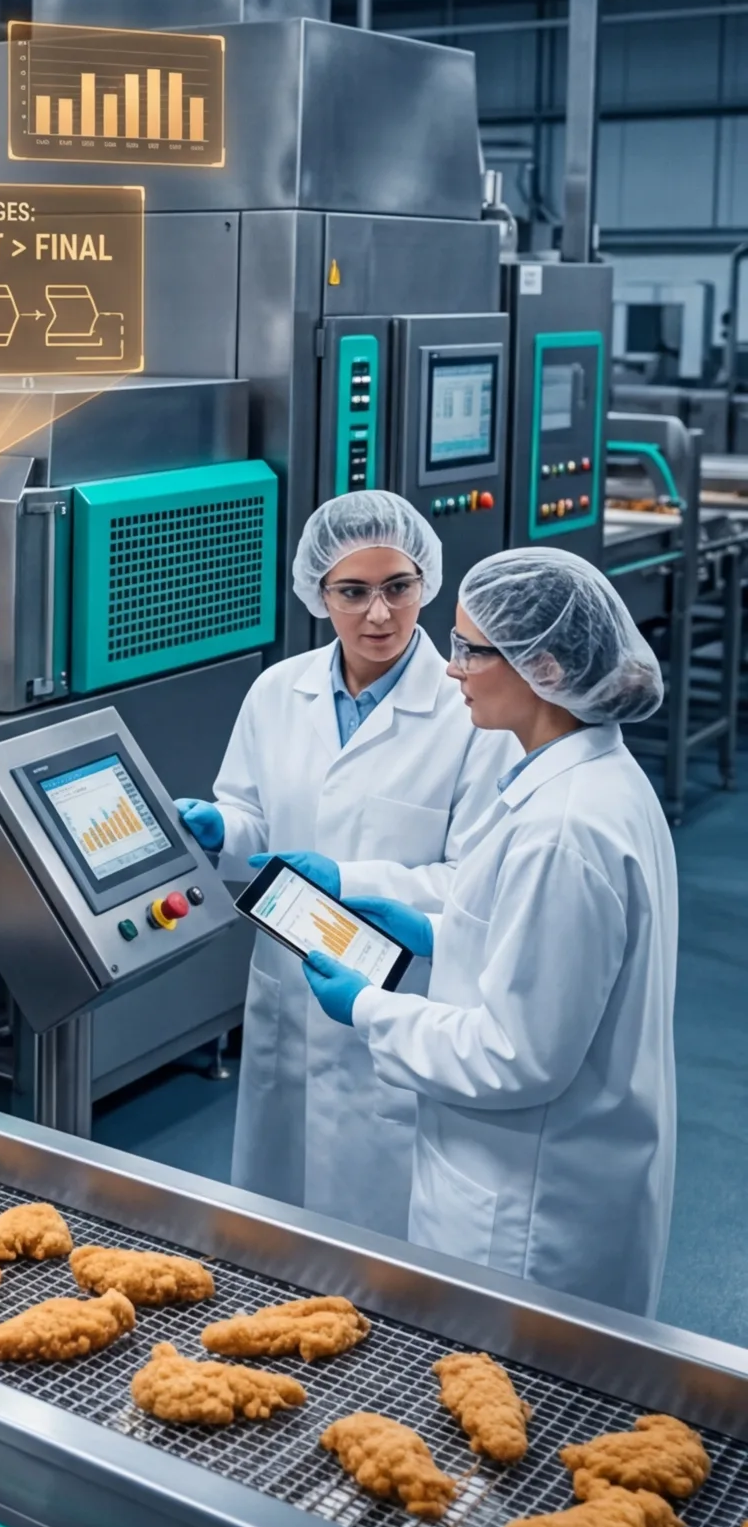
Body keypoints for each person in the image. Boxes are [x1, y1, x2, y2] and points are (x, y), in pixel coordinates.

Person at [300, 549, 677, 1316]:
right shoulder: (589, 782)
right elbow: (553, 955)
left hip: (526, 1215)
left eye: (471, 650)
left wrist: (368, 1008)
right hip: (546, 1172)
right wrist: (438, 934)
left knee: (498, 1387)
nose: (452, 669)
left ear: (543, 667)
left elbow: (517, 1056)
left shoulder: (564, 831)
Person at [175, 492, 518, 1237]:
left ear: (425, 581)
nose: (379, 614)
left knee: (380, 1240)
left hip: (399, 997)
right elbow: (255, 820)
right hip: (289, 990)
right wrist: (219, 829)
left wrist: (347, 882)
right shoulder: (278, 692)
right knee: (273, 1223)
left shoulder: (471, 714)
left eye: (398, 587)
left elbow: (475, 883)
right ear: (318, 593)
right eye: (353, 592)